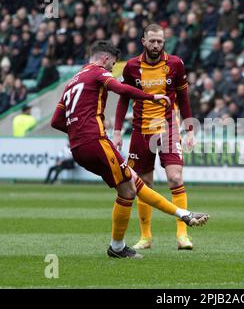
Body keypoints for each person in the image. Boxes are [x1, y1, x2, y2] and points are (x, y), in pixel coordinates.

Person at [51, 40, 209, 259]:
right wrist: (152, 96)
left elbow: (56, 121)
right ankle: (118, 247)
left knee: (131, 185)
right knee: (132, 186)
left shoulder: (72, 82)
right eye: (112, 64)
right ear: (105, 59)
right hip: (96, 142)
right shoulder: (97, 72)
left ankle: (183, 215)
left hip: (79, 148)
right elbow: (121, 89)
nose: (111, 69)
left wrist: (78, 131)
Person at [113, 23, 196, 250]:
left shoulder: (175, 64)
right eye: (152, 41)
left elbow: (184, 98)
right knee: (143, 183)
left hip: (168, 127)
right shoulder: (131, 67)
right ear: (144, 41)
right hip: (140, 129)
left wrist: (189, 130)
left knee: (175, 178)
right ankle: (146, 237)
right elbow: (123, 99)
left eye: (160, 41)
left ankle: (182, 235)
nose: (156, 45)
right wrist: (118, 131)